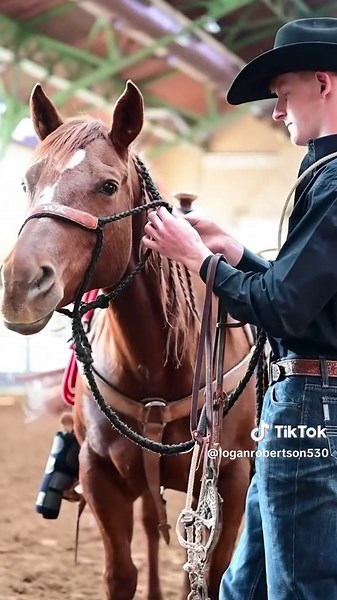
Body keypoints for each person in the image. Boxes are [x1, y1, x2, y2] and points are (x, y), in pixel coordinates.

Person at [142, 17, 337, 600]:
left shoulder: (332, 184)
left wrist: (199, 258)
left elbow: (283, 309)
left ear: (324, 84)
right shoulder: (325, 178)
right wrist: (235, 252)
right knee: (244, 583)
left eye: (282, 95)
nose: (278, 112)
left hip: (310, 404)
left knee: (298, 587)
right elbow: (307, 298)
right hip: (306, 400)